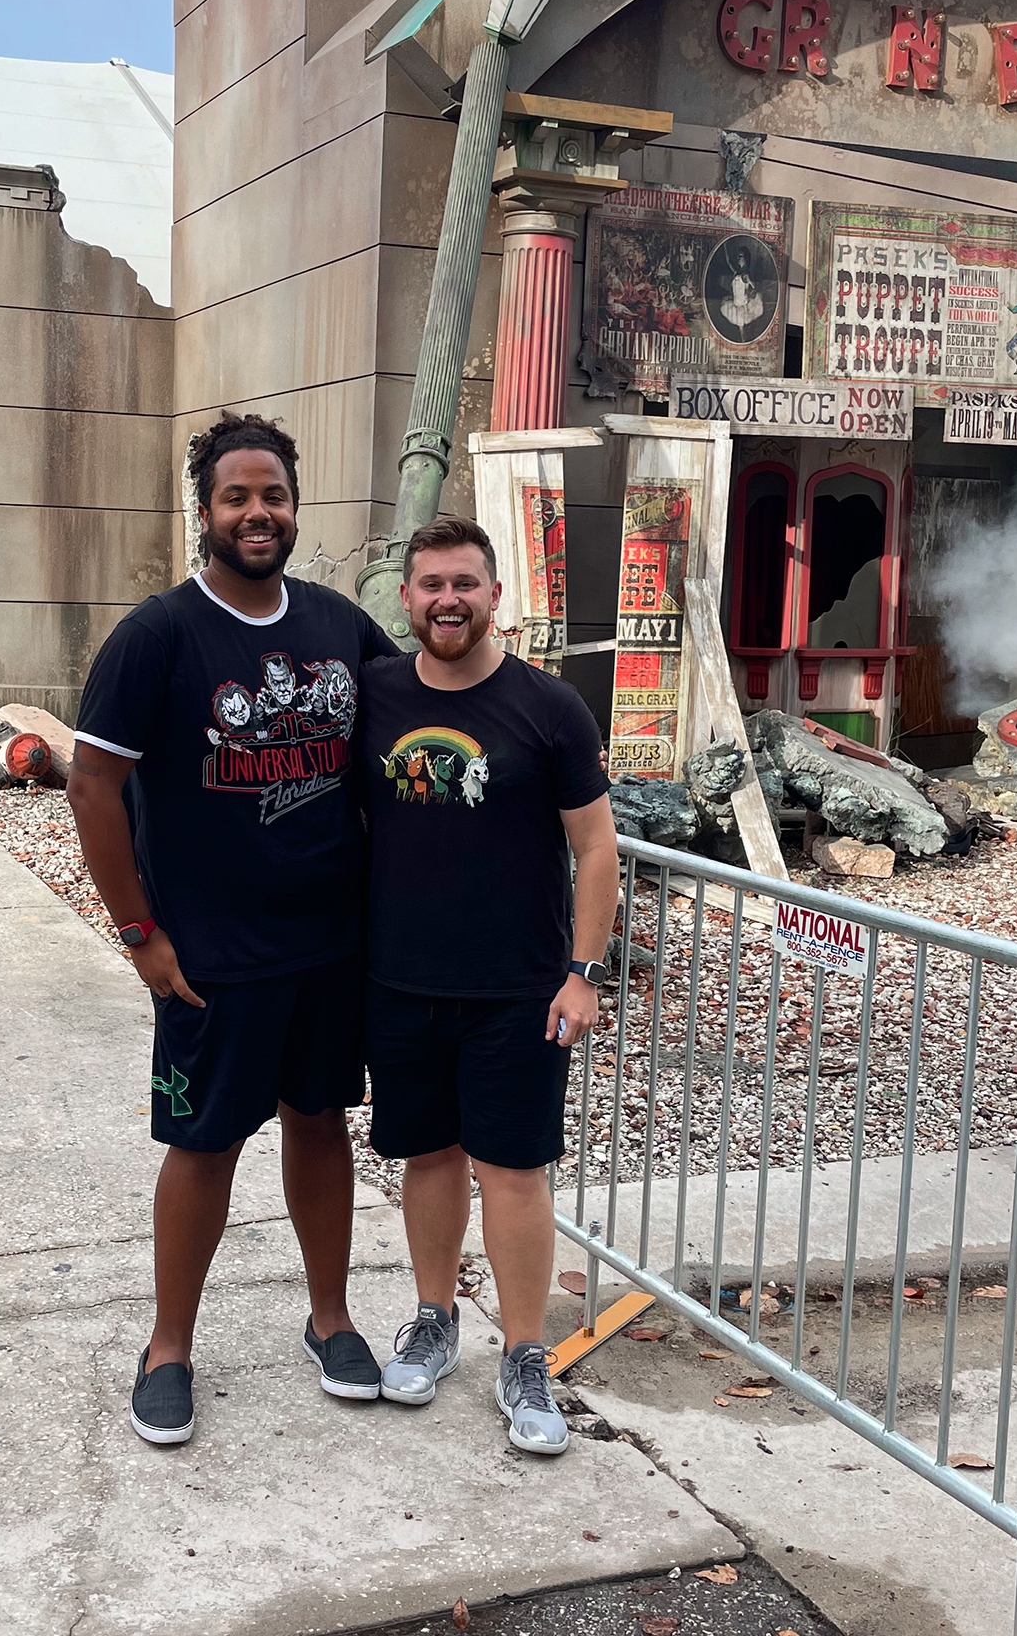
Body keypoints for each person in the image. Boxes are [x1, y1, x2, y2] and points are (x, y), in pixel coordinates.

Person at [67, 412, 399, 1446]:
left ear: (296, 506)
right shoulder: (159, 636)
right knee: (203, 1146)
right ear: (203, 510)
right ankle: (169, 1347)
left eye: (274, 495)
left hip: (329, 945)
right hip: (212, 955)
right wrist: (138, 932)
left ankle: (331, 1318)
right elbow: (92, 786)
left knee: (320, 1125)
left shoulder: (342, 626)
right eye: (236, 497)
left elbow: (426, 712)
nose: (258, 513)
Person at [355, 514, 620, 1455]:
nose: (447, 601)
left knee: (513, 1171)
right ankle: (434, 1319)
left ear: (496, 593)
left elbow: (596, 850)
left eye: (464, 583)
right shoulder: (376, 696)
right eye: (430, 585)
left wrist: (583, 975)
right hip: (399, 980)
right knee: (427, 1159)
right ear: (408, 597)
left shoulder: (550, 708)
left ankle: (524, 1355)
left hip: (518, 988)